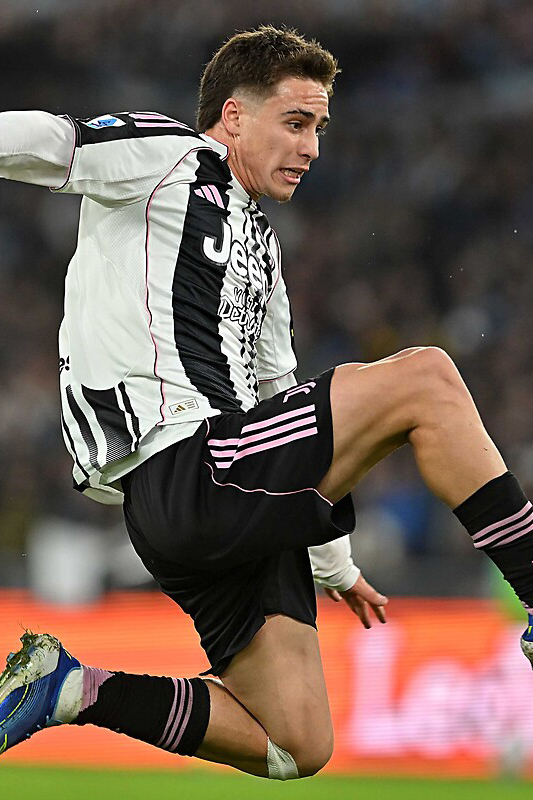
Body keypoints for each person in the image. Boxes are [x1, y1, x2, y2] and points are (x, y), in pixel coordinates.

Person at [0, 25, 532, 779]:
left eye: (318, 128)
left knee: (295, 744)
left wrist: (336, 566)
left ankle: (72, 690)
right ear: (234, 115)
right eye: (295, 122)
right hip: (187, 465)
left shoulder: (261, 247)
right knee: (426, 379)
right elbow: (52, 143)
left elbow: (283, 401)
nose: (311, 147)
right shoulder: (169, 154)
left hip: (220, 504)